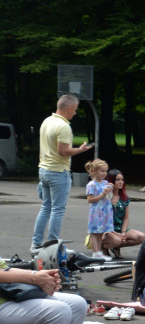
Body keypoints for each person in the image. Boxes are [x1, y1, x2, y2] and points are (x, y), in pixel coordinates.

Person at [32, 94, 92, 253]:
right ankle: (53, 246)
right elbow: (63, 151)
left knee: (45, 207)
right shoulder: (64, 126)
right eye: (75, 110)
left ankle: (36, 244)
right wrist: (80, 150)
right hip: (58, 172)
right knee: (57, 209)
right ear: (68, 108)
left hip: (43, 169)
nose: (75, 113)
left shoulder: (47, 121)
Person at [102, 170, 145, 258]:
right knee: (117, 240)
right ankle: (103, 247)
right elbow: (103, 219)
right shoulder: (105, 197)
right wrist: (116, 234)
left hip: (119, 229)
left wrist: (123, 232)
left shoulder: (125, 198)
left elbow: (126, 218)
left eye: (122, 179)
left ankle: (115, 247)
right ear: (111, 181)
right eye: (117, 179)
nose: (121, 182)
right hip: (106, 230)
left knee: (141, 237)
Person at [84, 159, 115, 261]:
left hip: (105, 211)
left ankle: (98, 252)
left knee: (101, 232)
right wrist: (103, 194)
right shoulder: (91, 185)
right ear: (94, 171)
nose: (104, 173)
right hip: (97, 212)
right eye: (102, 171)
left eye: (105, 171)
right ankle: (95, 252)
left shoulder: (105, 182)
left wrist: (111, 188)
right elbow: (90, 199)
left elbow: (109, 196)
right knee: (94, 232)